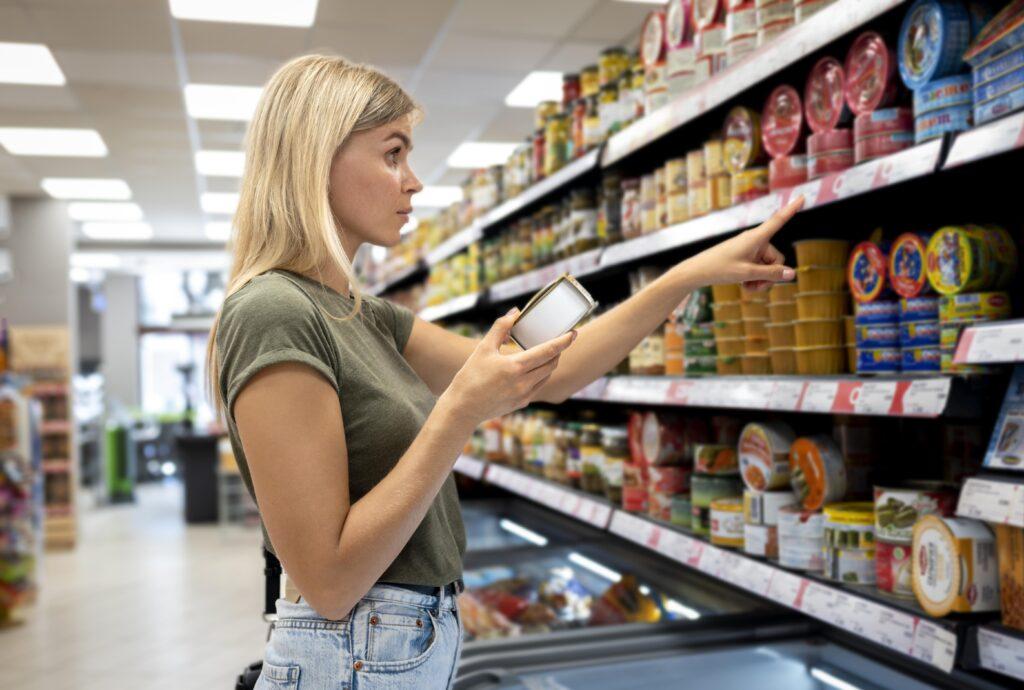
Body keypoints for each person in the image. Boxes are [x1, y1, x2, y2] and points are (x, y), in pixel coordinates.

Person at [206, 54, 804, 690]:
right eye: (392, 154)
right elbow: (327, 580)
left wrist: (690, 273)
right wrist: (459, 410)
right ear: (316, 158)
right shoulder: (273, 311)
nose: (413, 182)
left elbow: (553, 372)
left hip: (393, 647)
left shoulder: (361, 314)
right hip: (351, 655)